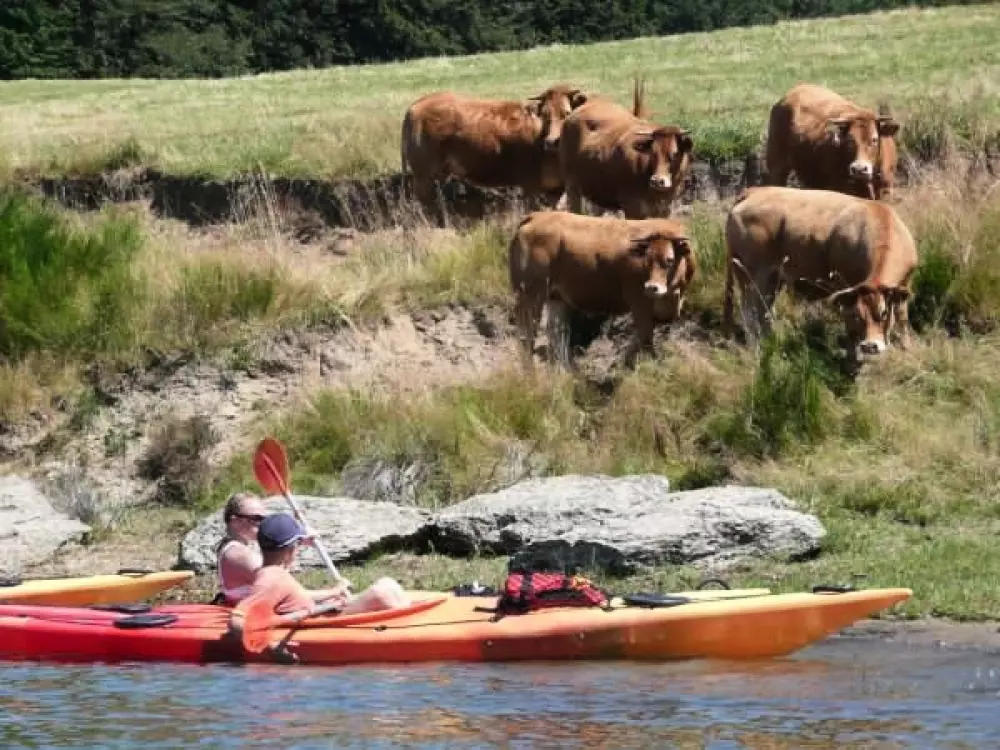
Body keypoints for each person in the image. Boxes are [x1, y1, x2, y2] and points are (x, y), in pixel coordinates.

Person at [230, 513, 409, 631]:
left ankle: (411, 624)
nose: (299, 548)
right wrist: (272, 646)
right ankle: (410, 630)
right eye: (298, 543)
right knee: (381, 593)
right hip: (319, 626)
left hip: (319, 617)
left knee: (387, 583)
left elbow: (293, 595)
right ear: (289, 550)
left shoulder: (275, 573)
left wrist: (333, 592)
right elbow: (237, 620)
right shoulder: (271, 579)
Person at [215, 492, 268, 605]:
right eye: (256, 518)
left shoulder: (234, 548)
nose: (262, 524)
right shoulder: (240, 555)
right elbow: (281, 584)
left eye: (264, 519)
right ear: (235, 521)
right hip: (251, 613)